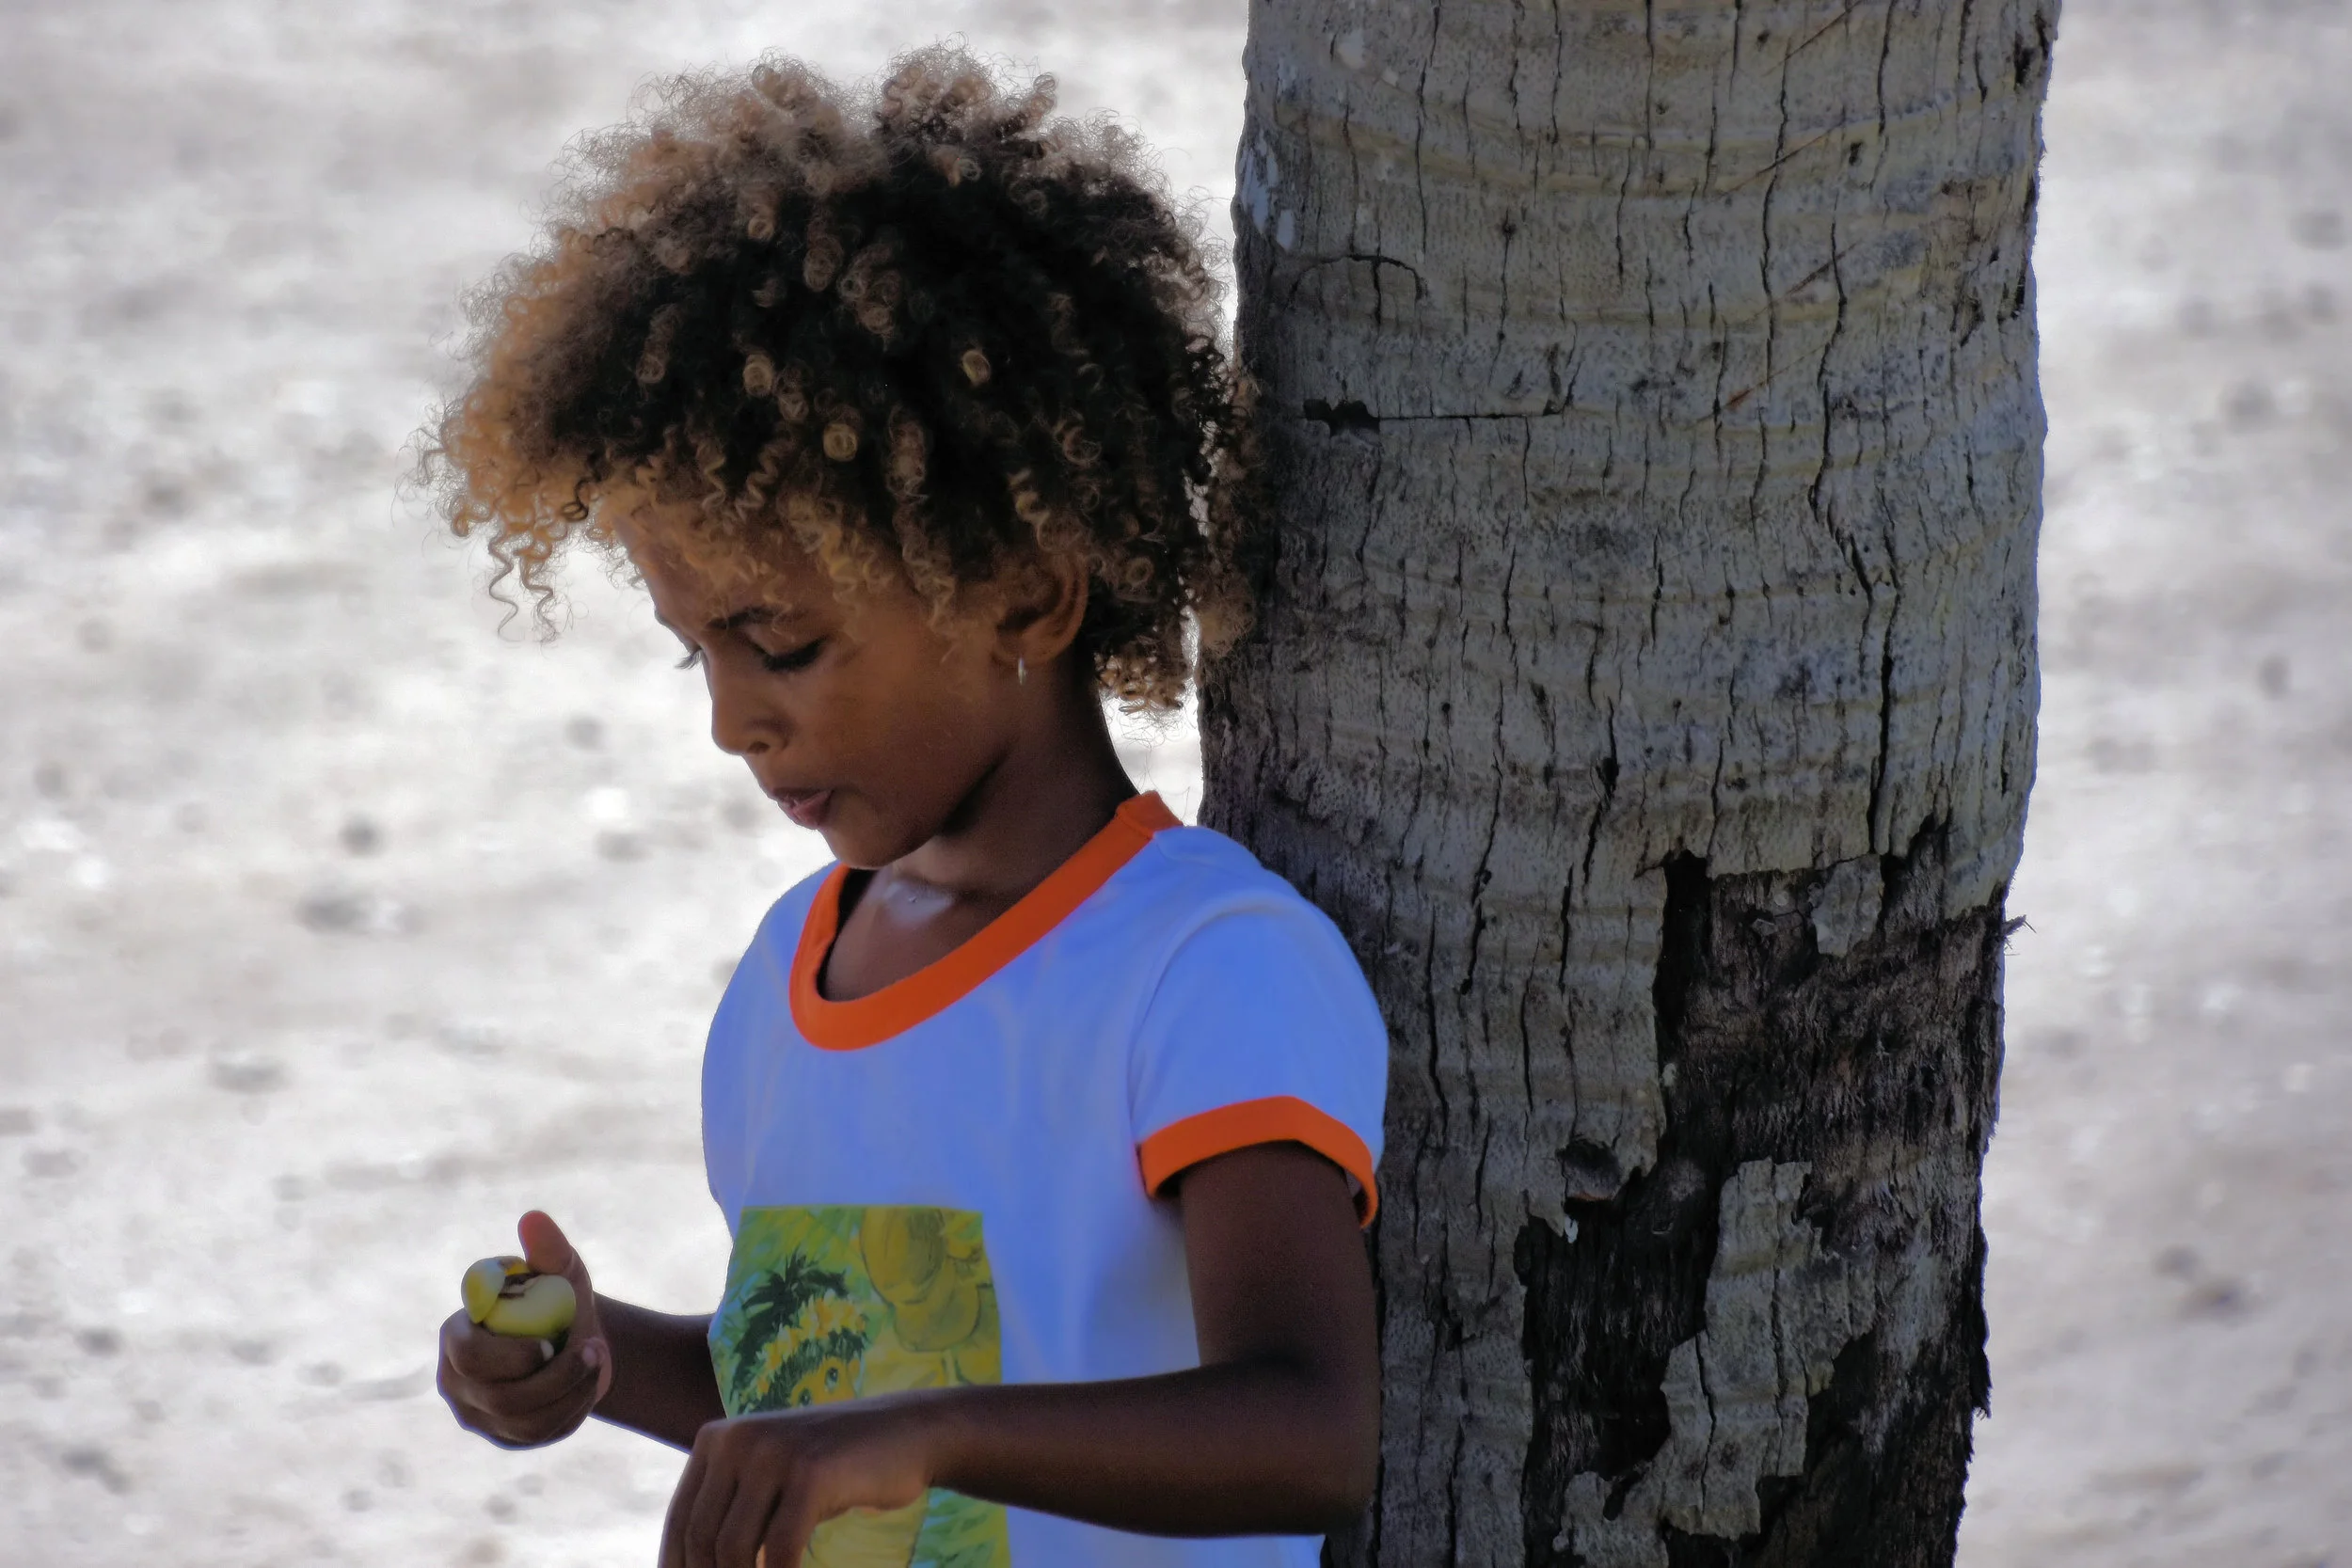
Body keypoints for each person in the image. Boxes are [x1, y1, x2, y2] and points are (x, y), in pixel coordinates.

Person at [423, 48, 1389, 1568]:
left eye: (784, 644)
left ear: (1022, 592)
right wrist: (601, 1361)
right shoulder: (785, 984)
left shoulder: (1203, 968)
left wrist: (929, 1424)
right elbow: (813, 1392)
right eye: (699, 651)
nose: (734, 720)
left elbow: (1310, 1430)